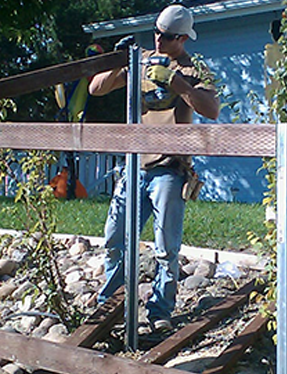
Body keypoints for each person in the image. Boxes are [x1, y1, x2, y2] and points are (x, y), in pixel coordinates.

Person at [88, 4, 219, 332]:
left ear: (183, 40)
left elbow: (212, 109)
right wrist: (121, 63)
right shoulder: (142, 59)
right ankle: (111, 305)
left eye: (169, 37)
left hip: (169, 168)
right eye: (157, 33)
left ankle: (160, 311)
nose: (160, 40)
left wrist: (180, 85)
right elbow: (96, 88)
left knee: (165, 247)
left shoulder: (193, 70)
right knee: (115, 238)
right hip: (135, 164)